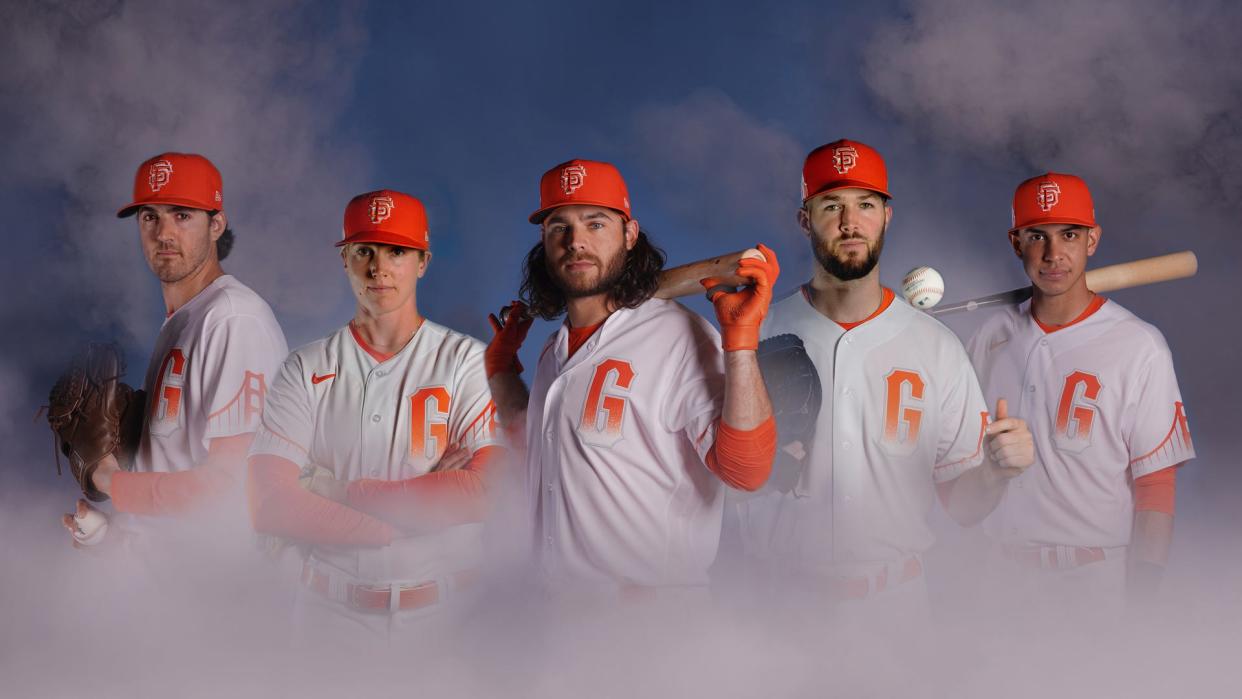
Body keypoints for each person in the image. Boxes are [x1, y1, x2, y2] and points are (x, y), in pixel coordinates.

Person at [735, 139, 1034, 620]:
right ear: (805, 219)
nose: (851, 223)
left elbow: (963, 505)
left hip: (894, 610)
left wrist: (996, 474)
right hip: (779, 607)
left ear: (887, 216)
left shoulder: (937, 349)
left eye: (866, 205)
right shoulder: (755, 331)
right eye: (832, 205)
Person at [485, 158, 778, 601]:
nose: (576, 242)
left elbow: (746, 470)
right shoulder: (553, 351)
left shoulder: (679, 336)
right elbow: (540, 447)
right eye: (558, 227)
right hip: (556, 627)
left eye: (596, 223)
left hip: (649, 624)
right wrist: (501, 368)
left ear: (630, 233)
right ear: (543, 243)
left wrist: (740, 346)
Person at [247, 189, 504, 641]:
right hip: (329, 616)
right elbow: (269, 503)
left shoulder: (465, 360)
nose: (378, 267)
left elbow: (484, 492)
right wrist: (421, 503)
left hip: (447, 618)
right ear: (344, 259)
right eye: (364, 250)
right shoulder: (305, 367)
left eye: (396, 251)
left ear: (422, 261)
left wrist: (332, 492)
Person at [966, 173, 1194, 615]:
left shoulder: (1139, 345)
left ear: (1092, 240)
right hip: (997, 582)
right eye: (1038, 236)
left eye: (1069, 235)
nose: (1054, 255)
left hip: (1092, 584)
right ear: (1016, 243)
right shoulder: (989, 337)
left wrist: (1142, 602)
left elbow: (1156, 486)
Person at [62, 152, 287, 548]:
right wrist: (112, 535)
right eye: (150, 217)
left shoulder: (235, 321)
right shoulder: (185, 319)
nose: (164, 233)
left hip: (205, 595)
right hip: (165, 581)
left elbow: (232, 491)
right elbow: (177, 472)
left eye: (182, 215)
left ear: (216, 224)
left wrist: (108, 478)